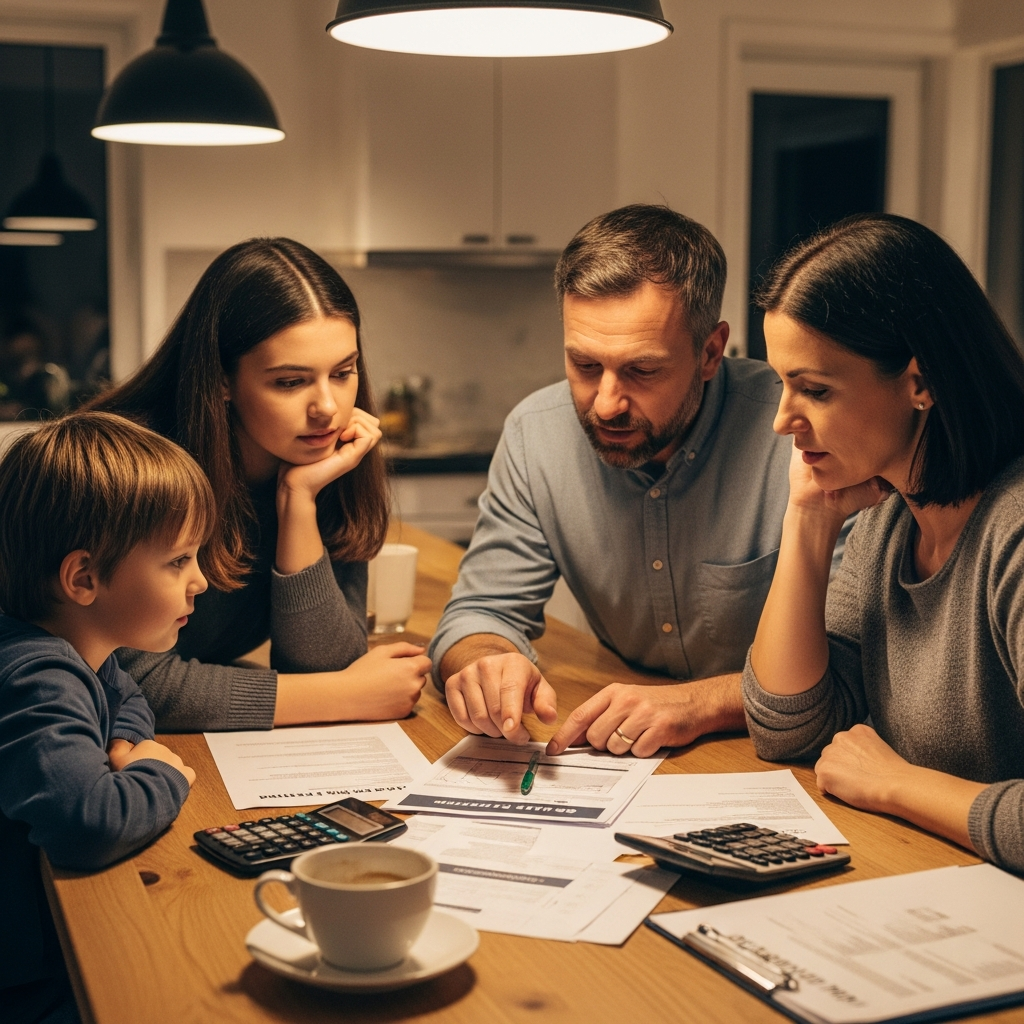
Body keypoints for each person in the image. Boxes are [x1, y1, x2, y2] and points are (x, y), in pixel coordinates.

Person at [432, 204, 845, 757]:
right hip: (634, 749)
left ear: (710, 352)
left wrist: (699, 703)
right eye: (584, 365)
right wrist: (484, 661)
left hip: (789, 755)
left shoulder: (804, 435)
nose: (606, 404)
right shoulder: (536, 435)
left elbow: (854, 660)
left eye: (642, 370)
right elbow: (480, 612)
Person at [744, 213, 1024, 873]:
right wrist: (808, 517)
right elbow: (788, 726)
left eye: (815, 390)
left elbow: (863, 768)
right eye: (783, 384)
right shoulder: (889, 518)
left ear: (921, 383)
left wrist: (896, 784)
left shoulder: (1013, 531)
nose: (783, 420)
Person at [89, 238, 430, 731]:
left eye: (343, 373)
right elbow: (127, 682)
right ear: (221, 380)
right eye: (290, 382)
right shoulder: (135, 467)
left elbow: (324, 663)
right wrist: (344, 696)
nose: (327, 408)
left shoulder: (325, 460)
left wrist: (299, 499)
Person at [0, 413, 201, 1024]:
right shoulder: (38, 677)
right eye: (178, 560)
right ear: (84, 578)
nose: (201, 580)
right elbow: (86, 825)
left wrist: (124, 743)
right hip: (26, 990)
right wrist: (160, 773)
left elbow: (126, 695)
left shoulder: (75, 649)